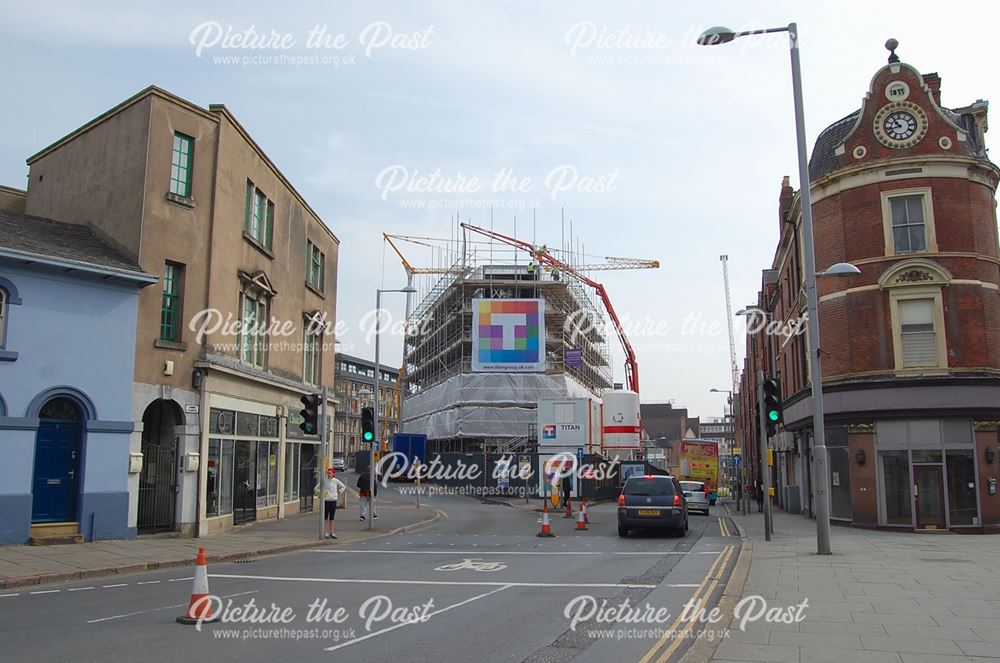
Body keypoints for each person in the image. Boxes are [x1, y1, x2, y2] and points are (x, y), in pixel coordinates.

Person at [318, 467, 347, 539]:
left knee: (332, 517)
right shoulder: (324, 480)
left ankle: (332, 532)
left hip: (333, 500)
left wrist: (338, 492)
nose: (329, 474)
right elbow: (316, 488)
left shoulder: (335, 481)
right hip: (326, 500)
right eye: (328, 473)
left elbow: (343, 487)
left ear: (333, 474)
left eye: (330, 473)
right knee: (325, 517)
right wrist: (320, 493)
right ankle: (326, 532)